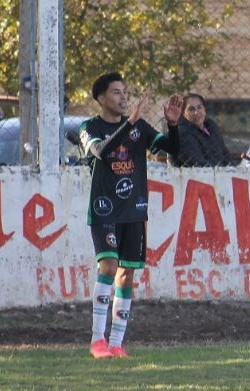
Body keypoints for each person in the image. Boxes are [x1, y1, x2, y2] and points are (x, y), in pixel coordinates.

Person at [79, 72, 182, 358]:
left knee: (126, 276)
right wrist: (131, 124)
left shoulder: (138, 127)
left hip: (134, 209)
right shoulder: (90, 127)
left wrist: (173, 126)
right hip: (104, 208)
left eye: (125, 92)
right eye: (116, 92)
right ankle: (97, 341)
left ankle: (116, 344)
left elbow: (172, 149)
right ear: (101, 98)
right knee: (109, 267)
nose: (123, 97)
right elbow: (102, 151)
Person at [173, 93, 232, 167]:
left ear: (204, 109)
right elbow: (198, 163)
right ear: (183, 113)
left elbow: (225, 154)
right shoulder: (182, 133)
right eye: (191, 109)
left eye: (199, 107)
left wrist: (230, 169)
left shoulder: (211, 127)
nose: (196, 112)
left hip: (220, 173)